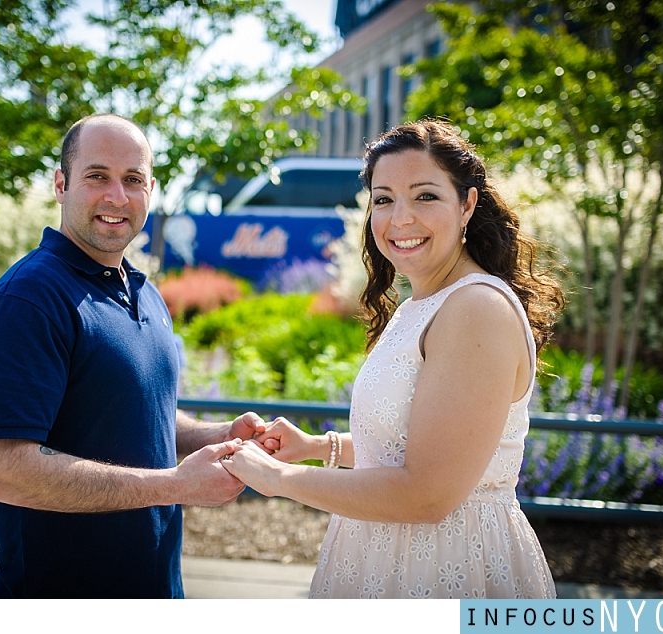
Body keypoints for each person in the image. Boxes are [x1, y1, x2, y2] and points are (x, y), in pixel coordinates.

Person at [221, 119, 564, 599]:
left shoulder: (476, 309)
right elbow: (417, 445)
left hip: (449, 566)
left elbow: (427, 494)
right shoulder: (420, 306)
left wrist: (279, 479)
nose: (400, 218)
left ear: (467, 204)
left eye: (425, 196)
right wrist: (322, 448)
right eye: (383, 199)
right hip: (379, 555)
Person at [0, 113, 264, 598]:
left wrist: (218, 434)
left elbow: (136, 414)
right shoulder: (27, 300)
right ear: (61, 184)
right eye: (97, 176)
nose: (117, 197)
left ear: (152, 189)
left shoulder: (140, 289)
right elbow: (3, 473)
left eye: (133, 180)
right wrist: (178, 485)